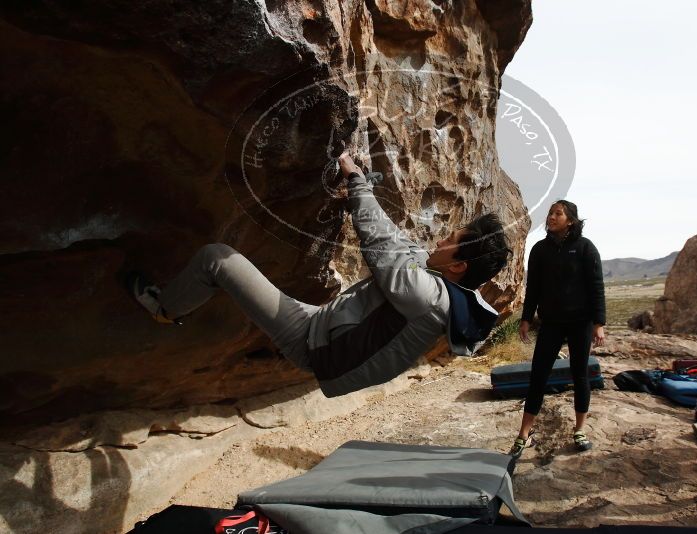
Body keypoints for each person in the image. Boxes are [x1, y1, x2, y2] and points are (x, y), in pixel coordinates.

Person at [128, 151, 511, 397]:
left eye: (450, 241)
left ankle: (164, 309)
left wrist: (355, 177)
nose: (440, 240)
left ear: (458, 266)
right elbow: (398, 241)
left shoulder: (426, 297)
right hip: (321, 326)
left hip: (312, 343)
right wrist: (357, 193)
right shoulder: (436, 283)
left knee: (217, 259)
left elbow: (381, 243)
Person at [510, 200, 605, 457]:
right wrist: (526, 318)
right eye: (550, 213)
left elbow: (596, 286)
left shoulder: (585, 248)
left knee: (580, 374)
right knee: (538, 375)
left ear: (570, 220)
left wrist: (599, 324)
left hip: (580, 322)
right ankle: (523, 434)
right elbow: (534, 288)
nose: (551, 217)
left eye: (557, 213)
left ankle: (580, 430)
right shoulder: (540, 249)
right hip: (551, 322)